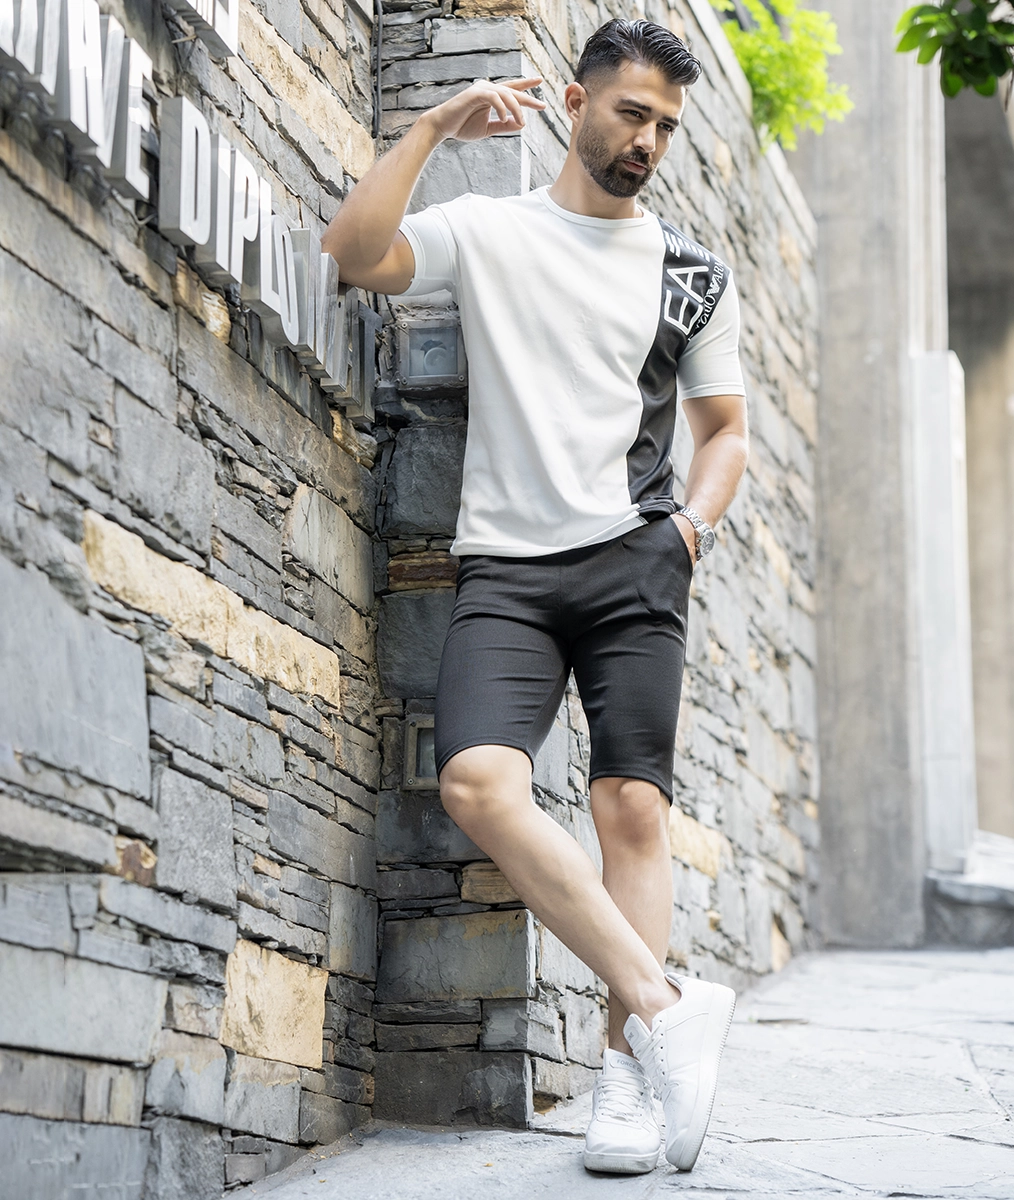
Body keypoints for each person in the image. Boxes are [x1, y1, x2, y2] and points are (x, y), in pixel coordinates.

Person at [324, 17, 747, 1175]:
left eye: (666, 125)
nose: (647, 139)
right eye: (631, 113)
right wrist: (430, 127)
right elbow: (355, 252)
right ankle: (665, 1006)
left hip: (635, 559)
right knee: (476, 782)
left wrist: (692, 533)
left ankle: (627, 1082)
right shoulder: (488, 230)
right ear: (575, 102)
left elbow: (724, 433)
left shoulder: (692, 275)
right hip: (506, 568)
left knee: (631, 809)